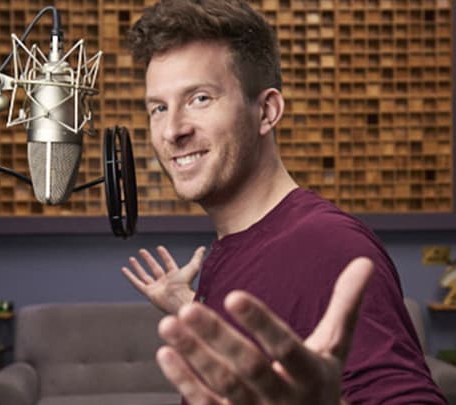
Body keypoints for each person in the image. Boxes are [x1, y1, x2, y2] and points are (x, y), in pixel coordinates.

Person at [120, 0, 446, 403]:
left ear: (267, 111)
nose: (172, 130)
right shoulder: (238, 244)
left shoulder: (328, 245)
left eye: (200, 98)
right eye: (158, 108)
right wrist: (190, 305)